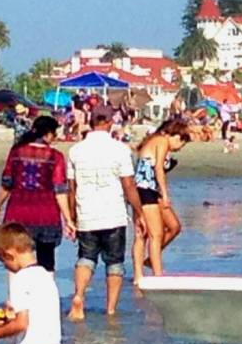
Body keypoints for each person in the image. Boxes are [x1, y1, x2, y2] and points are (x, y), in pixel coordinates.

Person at [66, 108, 146, 319]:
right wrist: (139, 213)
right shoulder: (120, 150)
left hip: (87, 213)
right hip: (113, 213)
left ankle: (79, 295)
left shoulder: (76, 150)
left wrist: (72, 217)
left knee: (86, 258)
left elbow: (71, 188)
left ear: (90, 122)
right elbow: (129, 185)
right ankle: (110, 310)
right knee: (114, 262)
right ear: (110, 122)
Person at [0, 116, 75, 272]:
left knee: (16, 260)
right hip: (47, 215)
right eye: (54, 134)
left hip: (18, 213)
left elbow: (7, 184)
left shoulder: (16, 152)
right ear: (48, 134)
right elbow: (60, 191)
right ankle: (47, 295)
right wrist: (68, 220)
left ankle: (16, 295)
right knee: (47, 261)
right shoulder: (55, 157)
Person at [132, 119, 191, 282]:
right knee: (152, 234)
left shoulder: (156, 141)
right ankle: (155, 276)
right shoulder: (162, 141)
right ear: (177, 136)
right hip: (144, 189)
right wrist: (165, 194)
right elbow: (158, 168)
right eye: (181, 144)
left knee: (174, 226)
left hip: (151, 189)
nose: (179, 148)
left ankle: (150, 260)